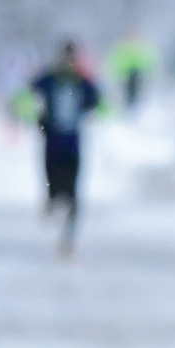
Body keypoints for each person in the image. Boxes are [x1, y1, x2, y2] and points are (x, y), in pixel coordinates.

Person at [29, 41, 102, 255]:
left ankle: (68, 237)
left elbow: (96, 101)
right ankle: (54, 207)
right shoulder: (49, 79)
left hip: (71, 144)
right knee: (54, 184)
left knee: (72, 193)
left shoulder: (81, 81)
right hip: (53, 143)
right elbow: (30, 93)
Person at [108, 30, 158, 110]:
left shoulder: (140, 46)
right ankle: (130, 106)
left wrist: (148, 71)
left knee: (136, 90)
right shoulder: (123, 47)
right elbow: (117, 60)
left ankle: (135, 106)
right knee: (128, 91)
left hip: (137, 72)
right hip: (127, 73)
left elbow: (148, 60)